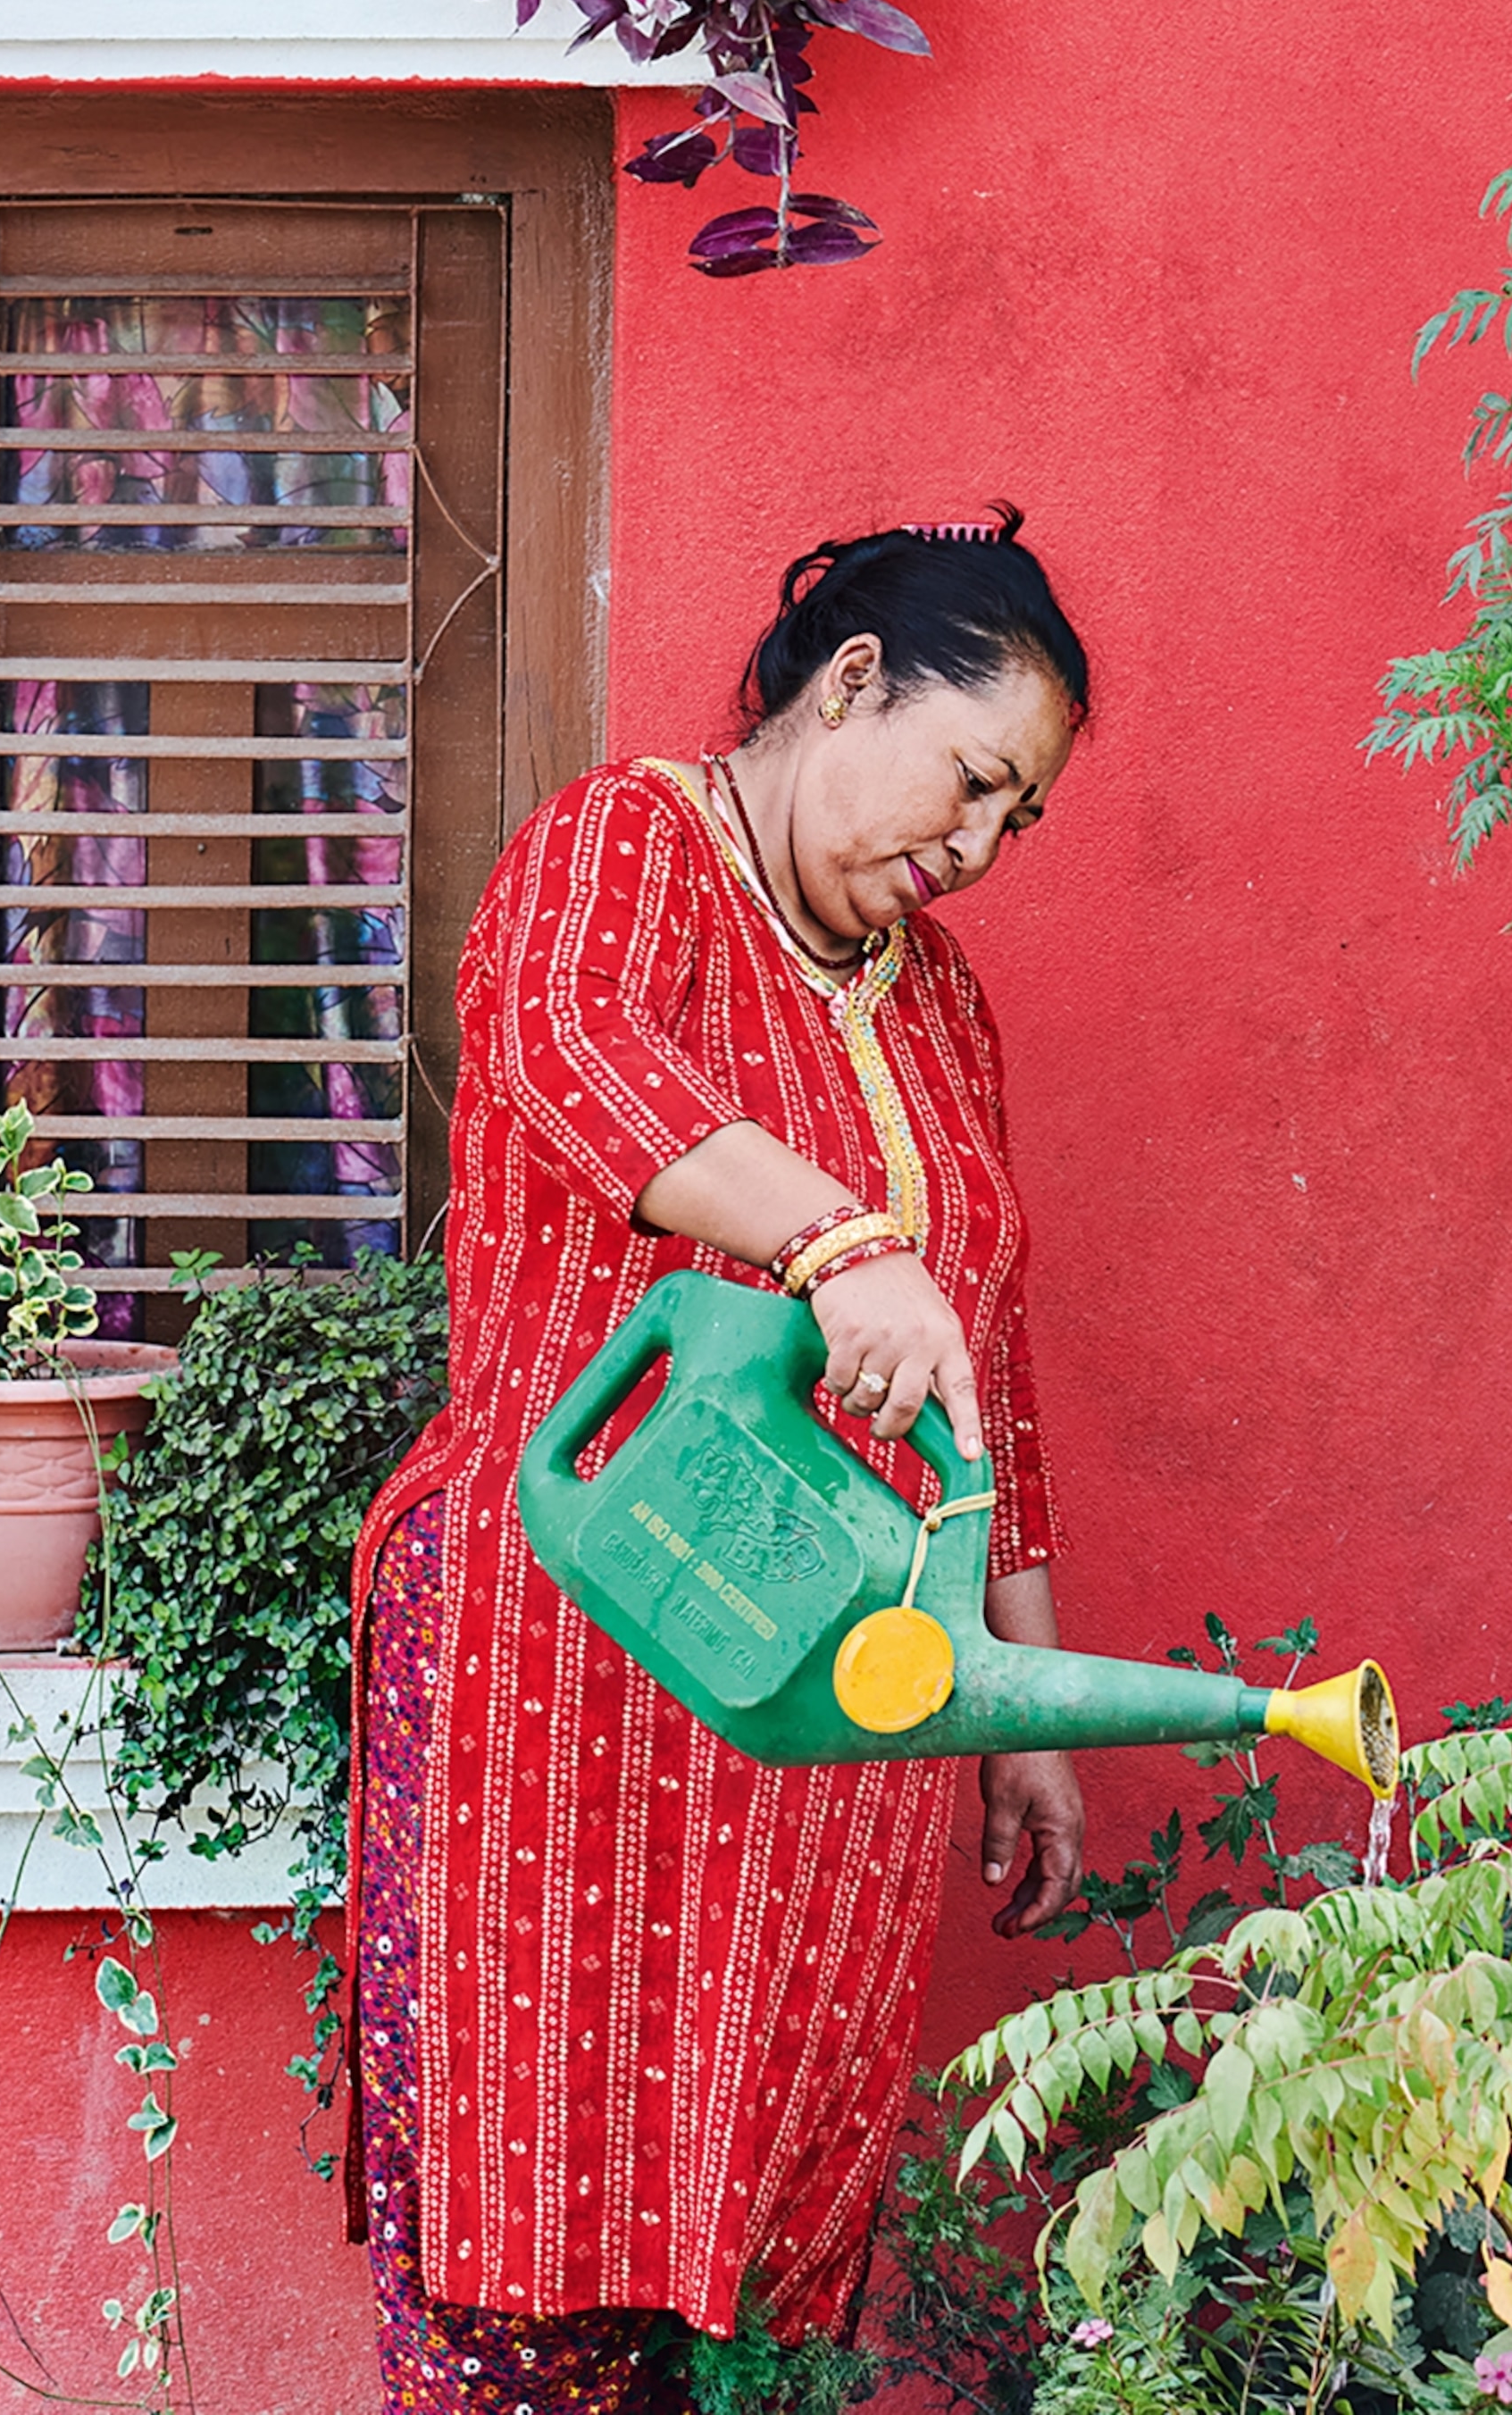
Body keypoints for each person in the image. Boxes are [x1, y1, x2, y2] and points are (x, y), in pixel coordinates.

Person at [348, 510, 1091, 2415]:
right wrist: (841, 1244)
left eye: (1018, 822)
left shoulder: (937, 1000)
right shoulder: (628, 848)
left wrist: (1020, 1692)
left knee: (737, 2282)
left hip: (820, 1715)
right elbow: (563, 1044)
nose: (978, 848)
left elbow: (981, 1339)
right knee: (532, 2239)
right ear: (854, 682)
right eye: (976, 779)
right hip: (576, 1673)